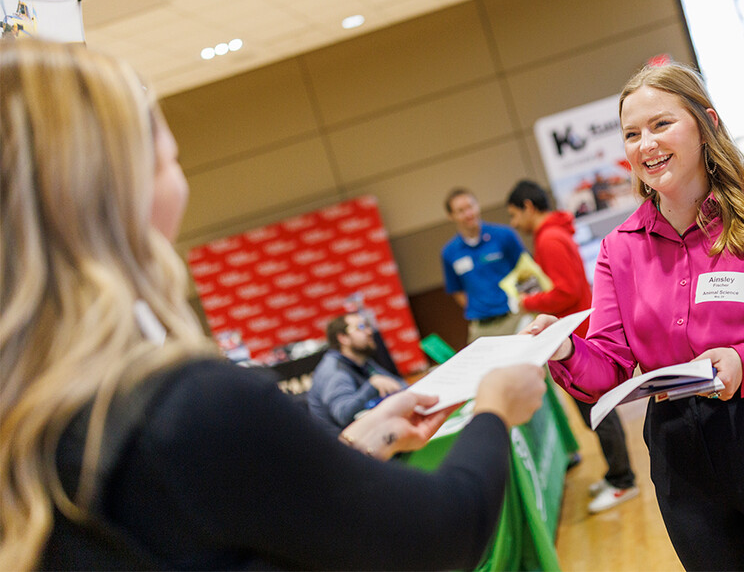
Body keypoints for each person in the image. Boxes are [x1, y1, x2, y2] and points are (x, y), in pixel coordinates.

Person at [0, 38, 548, 571]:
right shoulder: (188, 403)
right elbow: (442, 535)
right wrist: (494, 411)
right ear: (124, 187)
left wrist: (362, 439)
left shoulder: (39, 415)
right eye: (169, 158)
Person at [524, 63, 744, 571]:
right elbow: (608, 372)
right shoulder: (619, 251)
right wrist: (566, 348)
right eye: (632, 134)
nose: (646, 144)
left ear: (705, 124)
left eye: (661, 124)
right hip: (682, 459)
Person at [506, 179, 639, 513]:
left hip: (576, 340)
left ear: (528, 207)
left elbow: (565, 290)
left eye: (513, 215)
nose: (513, 223)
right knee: (596, 414)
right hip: (576, 336)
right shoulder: (552, 235)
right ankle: (617, 475)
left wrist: (527, 302)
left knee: (599, 413)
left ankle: (624, 481)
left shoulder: (549, 239)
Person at [441, 188, 526, 342]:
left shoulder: (504, 236)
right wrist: (480, 306)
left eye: (470, 207)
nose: (468, 214)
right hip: (481, 328)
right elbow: (457, 291)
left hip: (514, 318)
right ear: (451, 216)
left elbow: (526, 271)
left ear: (478, 206)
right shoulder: (449, 252)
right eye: (460, 211)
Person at [307, 312, 407, 435]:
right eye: (360, 327)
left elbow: (399, 385)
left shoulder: (361, 361)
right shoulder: (335, 371)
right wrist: (372, 386)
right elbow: (343, 415)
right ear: (343, 338)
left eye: (367, 326)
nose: (369, 331)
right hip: (345, 448)